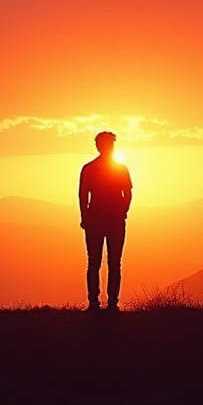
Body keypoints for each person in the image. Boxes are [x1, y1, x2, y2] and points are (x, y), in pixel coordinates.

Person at [78, 131, 132, 312]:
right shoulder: (120, 168)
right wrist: (122, 212)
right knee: (112, 263)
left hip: (98, 220)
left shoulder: (89, 168)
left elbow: (82, 196)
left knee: (95, 262)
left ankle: (97, 303)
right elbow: (128, 194)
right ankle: (110, 304)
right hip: (112, 220)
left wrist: (85, 217)